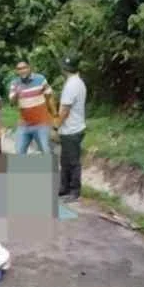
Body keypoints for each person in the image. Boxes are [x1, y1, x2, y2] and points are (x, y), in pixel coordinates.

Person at [55, 56, 87, 203]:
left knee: (72, 162)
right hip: (73, 128)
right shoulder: (77, 82)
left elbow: (65, 110)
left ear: (64, 69)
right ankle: (65, 188)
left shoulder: (71, 85)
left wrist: (56, 126)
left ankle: (74, 191)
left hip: (71, 129)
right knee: (65, 161)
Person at [9, 60, 55, 154]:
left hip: (41, 123)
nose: (22, 71)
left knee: (46, 151)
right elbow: (12, 103)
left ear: (29, 68)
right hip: (24, 124)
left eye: (24, 68)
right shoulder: (15, 83)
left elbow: (50, 97)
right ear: (17, 71)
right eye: (19, 69)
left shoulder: (40, 79)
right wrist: (16, 93)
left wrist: (55, 115)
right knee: (19, 151)